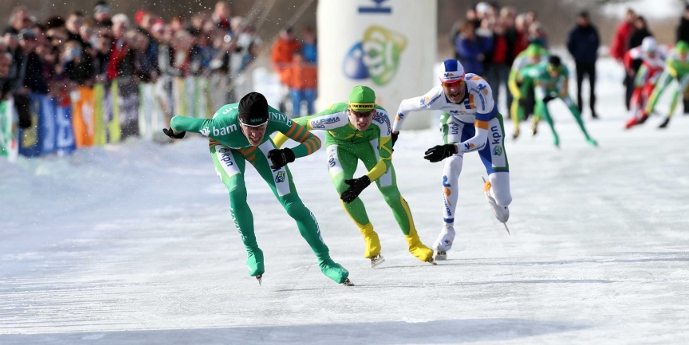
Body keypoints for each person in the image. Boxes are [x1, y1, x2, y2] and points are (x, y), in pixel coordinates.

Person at [164, 92, 352, 286]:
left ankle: (326, 262)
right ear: (239, 121)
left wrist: (288, 154)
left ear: (267, 120)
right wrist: (175, 131)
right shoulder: (218, 127)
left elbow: (314, 141)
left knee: (293, 206)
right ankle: (252, 251)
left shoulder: (275, 118)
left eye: (261, 127)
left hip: (261, 149)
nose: (255, 133)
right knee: (236, 188)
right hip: (225, 145)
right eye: (250, 128)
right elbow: (178, 121)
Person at [275, 86, 434, 267]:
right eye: (357, 113)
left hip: (370, 144)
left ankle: (415, 244)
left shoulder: (382, 119)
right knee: (342, 187)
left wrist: (365, 181)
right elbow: (291, 126)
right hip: (340, 146)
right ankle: (369, 236)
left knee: (391, 193)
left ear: (374, 111)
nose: (362, 119)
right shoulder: (333, 117)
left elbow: (386, 160)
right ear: (349, 110)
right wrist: (272, 150)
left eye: (366, 114)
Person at [391, 60, 512, 259]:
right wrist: (394, 134)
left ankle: (490, 190)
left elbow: (481, 140)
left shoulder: (480, 90)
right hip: (455, 121)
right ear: (441, 84)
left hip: (487, 124)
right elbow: (405, 106)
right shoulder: (435, 97)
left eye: (457, 83)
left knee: (505, 201)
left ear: (463, 79)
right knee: (453, 162)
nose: (454, 89)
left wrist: (452, 147)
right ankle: (448, 227)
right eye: (448, 85)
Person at [526, 55, 597, 147]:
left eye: (557, 71)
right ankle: (554, 135)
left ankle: (587, 136)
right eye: (553, 71)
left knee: (574, 110)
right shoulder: (539, 70)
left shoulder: (564, 69)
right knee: (543, 106)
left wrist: (562, 91)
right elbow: (524, 73)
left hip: (556, 87)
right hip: (543, 88)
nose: (555, 73)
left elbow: (565, 87)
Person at [640, 41, 689, 129]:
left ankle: (668, 117)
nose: (683, 57)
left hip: (686, 74)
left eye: (685, 54)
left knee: (676, 94)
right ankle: (648, 111)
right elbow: (668, 66)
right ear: (677, 52)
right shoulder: (673, 54)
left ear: (688, 52)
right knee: (659, 89)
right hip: (673, 71)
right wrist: (675, 73)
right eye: (681, 54)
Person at [623, 37, 666, 129]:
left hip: (657, 72)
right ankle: (634, 115)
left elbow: (668, 64)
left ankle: (646, 111)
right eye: (647, 52)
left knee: (650, 91)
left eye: (651, 52)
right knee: (637, 91)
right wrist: (629, 68)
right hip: (646, 69)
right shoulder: (639, 50)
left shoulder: (661, 52)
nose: (649, 54)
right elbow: (628, 56)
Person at [508, 44, 548, 139]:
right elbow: (511, 81)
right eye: (533, 58)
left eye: (538, 58)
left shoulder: (546, 57)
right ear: (528, 56)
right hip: (524, 78)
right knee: (518, 100)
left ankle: (535, 121)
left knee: (541, 99)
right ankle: (516, 127)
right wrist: (517, 94)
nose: (535, 60)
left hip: (538, 79)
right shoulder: (520, 60)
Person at [566, 11, 600, 118]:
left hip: (591, 62)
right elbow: (569, 45)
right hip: (580, 63)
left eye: (586, 19)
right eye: (582, 19)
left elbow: (597, 43)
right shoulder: (574, 32)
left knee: (592, 88)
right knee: (579, 87)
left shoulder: (593, 30)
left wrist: (593, 53)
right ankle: (579, 110)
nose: (584, 21)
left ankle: (592, 110)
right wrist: (576, 55)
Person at [610, 9, 637, 109]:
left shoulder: (635, 27)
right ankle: (628, 103)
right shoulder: (622, 28)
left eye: (632, 15)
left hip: (637, 58)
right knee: (630, 81)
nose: (630, 17)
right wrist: (617, 56)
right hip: (627, 58)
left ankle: (638, 102)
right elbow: (617, 42)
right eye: (628, 15)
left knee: (637, 81)